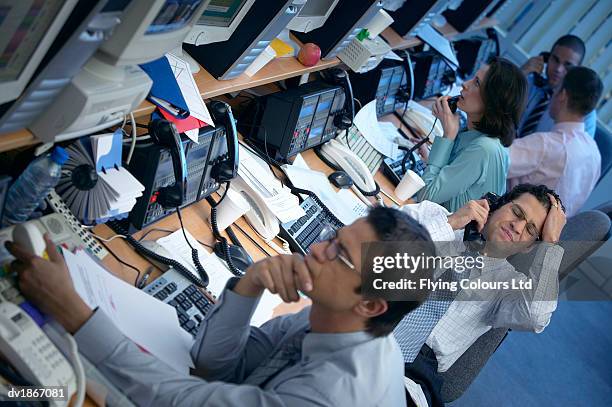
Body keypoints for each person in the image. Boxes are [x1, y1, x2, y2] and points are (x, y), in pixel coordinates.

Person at [7, 207, 434, 406]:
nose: (316, 249)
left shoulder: (330, 396)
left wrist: (75, 315)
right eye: (332, 236)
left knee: (39, 393)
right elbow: (214, 366)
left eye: (338, 254)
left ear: (372, 305)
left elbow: (181, 400)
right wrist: (249, 284)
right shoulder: (332, 321)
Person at [387, 184, 565, 406]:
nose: (518, 227)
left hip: (410, 376)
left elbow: (537, 316)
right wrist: (450, 224)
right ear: (496, 204)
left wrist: (550, 243)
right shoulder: (435, 217)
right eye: (517, 213)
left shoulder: (508, 287)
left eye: (530, 230)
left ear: (528, 247)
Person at [417, 57, 527, 213]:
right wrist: (432, 158)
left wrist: (448, 135)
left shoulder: (484, 148)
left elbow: (425, 196)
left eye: (476, 83)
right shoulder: (476, 133)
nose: (465, 84)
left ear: (493, 100)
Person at [508, 67, 603, 217]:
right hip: (545, 234)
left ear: (563, 95)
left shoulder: (547, 145)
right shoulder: (595, 154)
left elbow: (491, 159)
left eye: (557, 88)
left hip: (509, 221)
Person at [518, 34, 597, 138]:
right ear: (546, 58)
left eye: (568, 65)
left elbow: (577, 151)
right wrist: (520, 73)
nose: (558, 69)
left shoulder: (584, 111)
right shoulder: (529, 82)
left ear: (577, 71)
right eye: (555, 60)